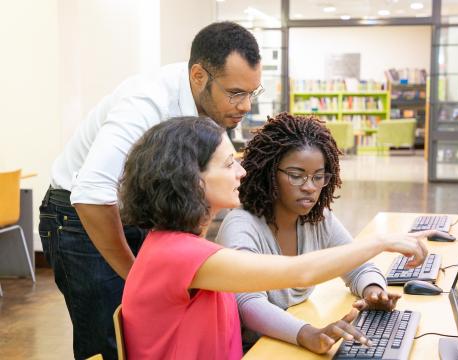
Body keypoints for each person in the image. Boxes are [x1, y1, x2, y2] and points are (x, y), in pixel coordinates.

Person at [38, 21, 263, 360]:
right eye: (236, 93)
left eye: (252, 93)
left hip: (129, 211)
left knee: (149, 333)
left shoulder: (209, 104)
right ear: (200, 76)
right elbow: (90, 193)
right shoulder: (146, 103)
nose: (246, 106)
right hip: (79, 216)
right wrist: (137, 276)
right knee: (112, 341)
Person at [119, 116, 429, 359]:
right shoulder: (179, 254)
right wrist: (379, 242)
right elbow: (298, 271)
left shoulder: (175, 245)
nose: (242, 172)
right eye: (229, 164)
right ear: (192, 179)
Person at [215, 112, 436, 354]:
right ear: (269, 173)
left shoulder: (317, 218)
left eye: (318, 177)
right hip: (253, 349)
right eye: (296, 175)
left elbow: (358, 266)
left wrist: (374, 291)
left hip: (291, 342)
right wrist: (307, 333)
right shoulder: (241, 225)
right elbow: (247, 302)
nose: (310, 187)